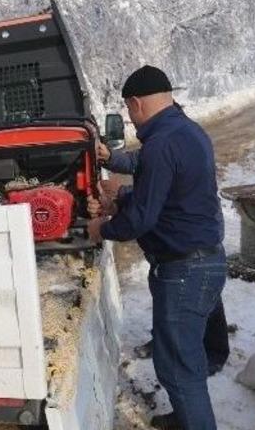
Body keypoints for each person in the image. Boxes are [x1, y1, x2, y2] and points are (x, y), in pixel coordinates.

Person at [87, 65, 226, 430]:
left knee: (179, 369)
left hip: (184, 272)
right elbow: (163, 187)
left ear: (135, 103)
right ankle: (185, 418)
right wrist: (119, 183)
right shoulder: (187, 131)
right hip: (204, 260)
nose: (130, 119)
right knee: (183, 359)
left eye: (128, 110)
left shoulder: (161, 143)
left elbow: (141, 219)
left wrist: (101, 228)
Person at [97, 141, 230, 378]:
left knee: (203, 295)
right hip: (172, 240)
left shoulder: (178, 139)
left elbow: (163, 192)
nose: (134, 124)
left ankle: (214, 352)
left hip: (192, 239)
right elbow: (140, 161)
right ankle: (164, 340)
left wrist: (122, 194)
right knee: (168, 296)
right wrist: (110, 157)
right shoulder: (161, 138)